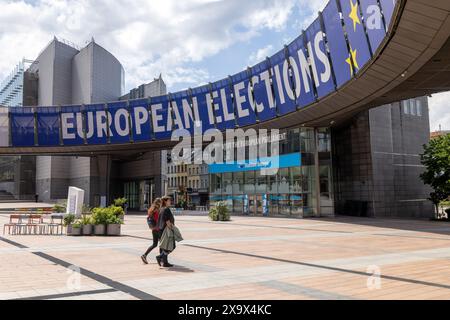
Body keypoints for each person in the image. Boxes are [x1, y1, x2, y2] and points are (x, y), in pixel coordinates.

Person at [141, 198, 162, 265]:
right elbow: (157, 220)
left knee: (154, 244)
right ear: (159, 203)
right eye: (160, 202)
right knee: (162, 244)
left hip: (153, 229)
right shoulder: (157, 210)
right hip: (158, 229)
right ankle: (161, 258)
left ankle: (144, 255)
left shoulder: (151, 209)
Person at [156, 196, 175, 268]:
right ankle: (160, 257)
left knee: (164, 246)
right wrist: (172, 229)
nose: (170, 202)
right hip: (166, 230)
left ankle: (165, 262)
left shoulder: (161, 209)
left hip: (160, 230)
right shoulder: (166, 209)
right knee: (172, 246)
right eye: (169, 201)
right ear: (165, 201)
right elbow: (167, 220)